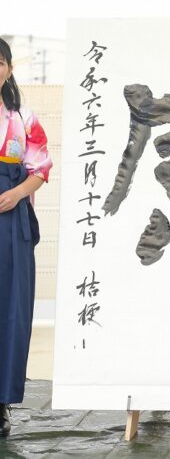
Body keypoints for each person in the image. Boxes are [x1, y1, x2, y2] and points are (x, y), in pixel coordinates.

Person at [0, 37, 52, 437]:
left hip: (9, 215)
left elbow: (41, 167)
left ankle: (0, 402)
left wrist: (17, 194)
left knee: (10, 308)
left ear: (9, 69)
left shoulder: (23, 118)